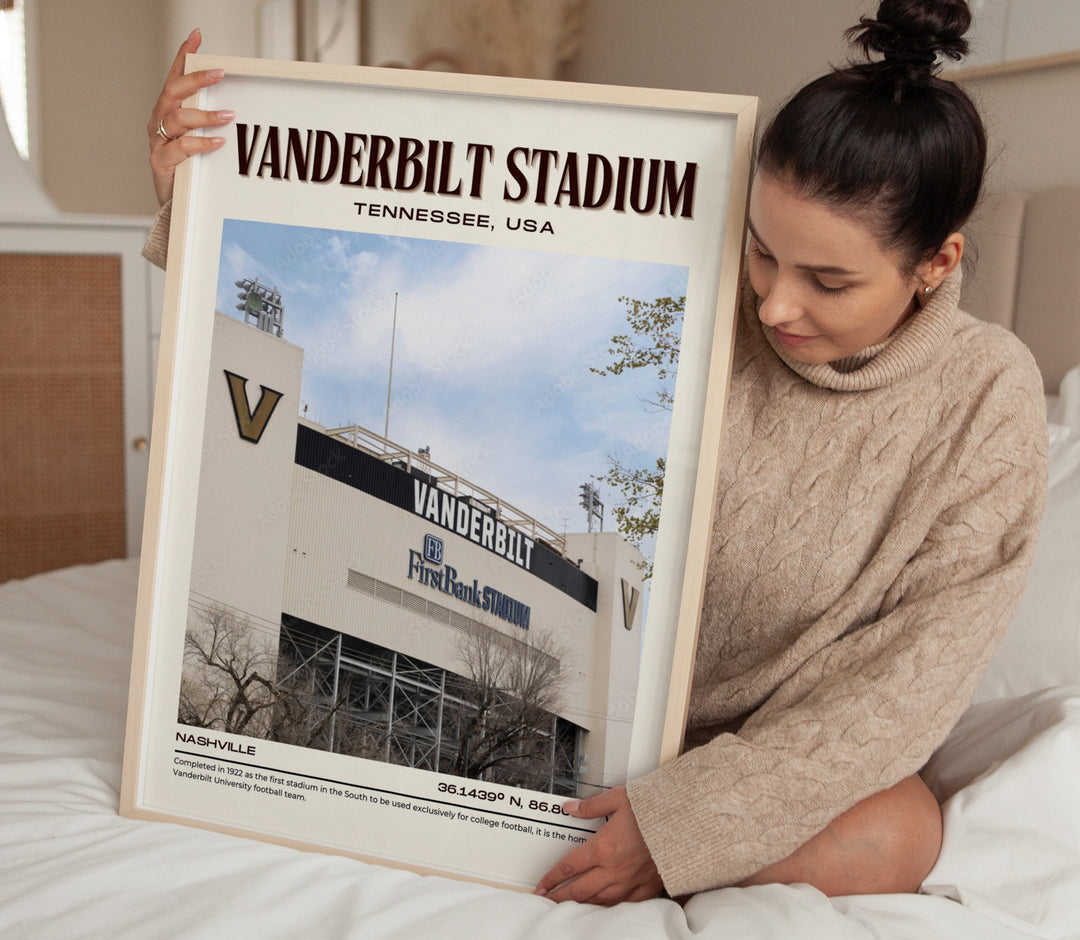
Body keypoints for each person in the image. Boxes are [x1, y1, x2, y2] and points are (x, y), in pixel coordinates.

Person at [145, 1, 1047, 906]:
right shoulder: (696, 291)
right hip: (590, 717)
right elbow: (480, 252)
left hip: (769, 760)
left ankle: (606, 849)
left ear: (936, 264)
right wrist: (206, 198)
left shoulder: (986, 398)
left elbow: (907, 689)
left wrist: (687, 825)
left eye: (829, 281)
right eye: (765, 254)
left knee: (900, 834)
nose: (774, 305)